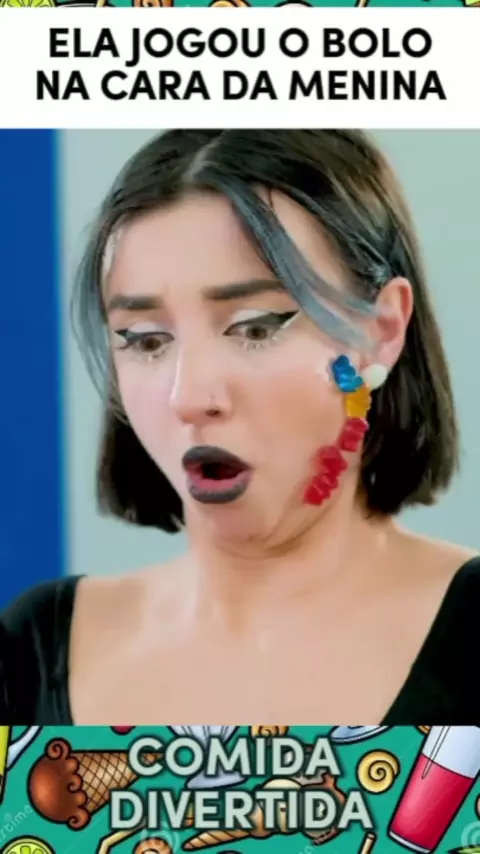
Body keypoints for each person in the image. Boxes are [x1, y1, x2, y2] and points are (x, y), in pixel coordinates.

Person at [0, 129, 478, 725]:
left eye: (254, 328)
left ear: (381, 331)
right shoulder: (35, 650)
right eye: (145, 340)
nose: (189, 397)